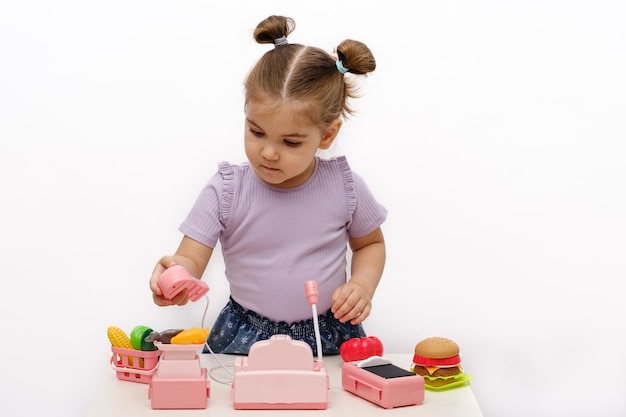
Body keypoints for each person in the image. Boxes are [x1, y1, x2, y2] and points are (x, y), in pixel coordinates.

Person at [149, 15, 387, 356]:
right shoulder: (226, 190)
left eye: (290, 142)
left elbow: (370, 244)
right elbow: (190, 257)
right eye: (256, 132)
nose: (269, 153)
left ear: (327, 135)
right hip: (245, 335)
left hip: (329, 335)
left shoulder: (344, 186)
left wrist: (362, 285)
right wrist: (176, 277)